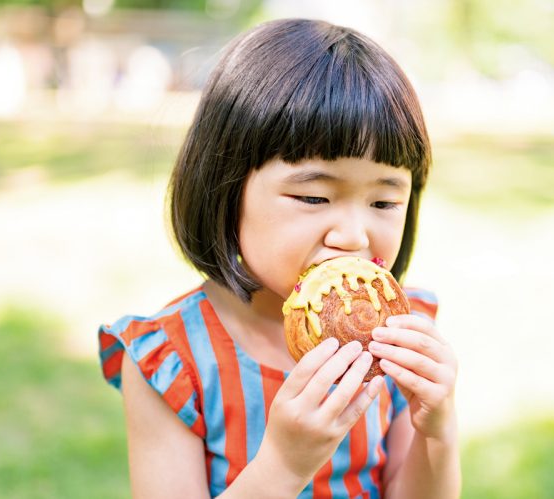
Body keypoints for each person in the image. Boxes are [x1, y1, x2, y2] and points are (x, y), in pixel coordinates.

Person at [98, 18, 460, 498]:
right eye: (314, 198)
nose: (353, 237)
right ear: (225, 189)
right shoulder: (172, 363)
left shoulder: (397, 339)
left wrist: (438, 431)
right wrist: (285, 465)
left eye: (384, 203)